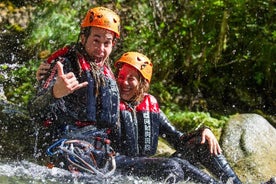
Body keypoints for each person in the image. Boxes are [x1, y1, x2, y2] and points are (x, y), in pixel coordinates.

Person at [111, 51, 242, 183]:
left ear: (143, 83)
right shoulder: (109, 106)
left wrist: (204, 131)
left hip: (152, 167)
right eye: (121, 77)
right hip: (124, 169)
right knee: (173, 165)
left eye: (131, 78)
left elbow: (178, 140)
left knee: (202, 142)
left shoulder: (150, 109)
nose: (124, 83)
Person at [28, 7, 121, 168]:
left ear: (113, 44)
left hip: (101, 151)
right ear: (83, 38)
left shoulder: (107, 74)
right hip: (68, 148)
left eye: (106, 43)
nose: (101, 49)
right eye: (96, 40)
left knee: (173, 167)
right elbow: (34, 109)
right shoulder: (66, 64)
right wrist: (54, 93)